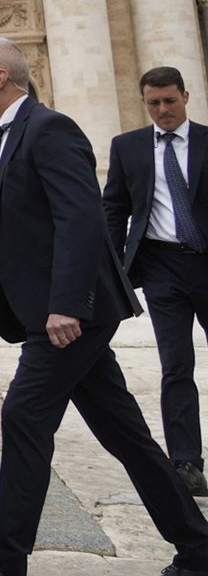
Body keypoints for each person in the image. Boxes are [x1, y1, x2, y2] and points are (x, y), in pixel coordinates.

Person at [0, 40, 208, 576]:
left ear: (0, 77)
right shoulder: (7, 136)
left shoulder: (50, 130)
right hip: (56, 315)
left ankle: (4, 566)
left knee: (24, 415)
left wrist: (68, 304)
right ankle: (199, 553)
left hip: (69, 318)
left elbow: (81, 221)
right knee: (126, 436)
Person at [103, 66, 208, 497]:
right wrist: (106, 267)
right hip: (161, 267)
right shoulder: (128, 148)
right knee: (176, 365)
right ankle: (185, 462)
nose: (163, 110)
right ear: (144, 102)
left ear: (185, 96)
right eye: (154, 103)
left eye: (170, 101)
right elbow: (114, 209)